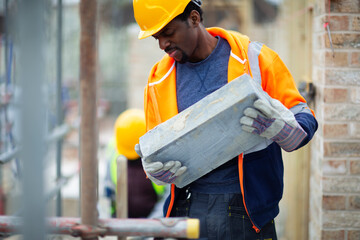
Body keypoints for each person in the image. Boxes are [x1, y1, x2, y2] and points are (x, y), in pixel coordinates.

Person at [132, 0, 318, 239]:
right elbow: (157, 149)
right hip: (189, 209)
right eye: (155, 37)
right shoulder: (158, 80)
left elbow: (304, 118)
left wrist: (282, 128)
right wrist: (155, 171)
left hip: (249, 212)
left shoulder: (254, 58)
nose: (163, 44)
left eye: (167, 33)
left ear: (194, 18)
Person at [104, 109, 166, 218]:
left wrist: (152, 226)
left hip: (154, 226)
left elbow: (167, 196)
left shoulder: (159, 157)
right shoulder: (113, 152)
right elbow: (107, 194)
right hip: (121, 224)